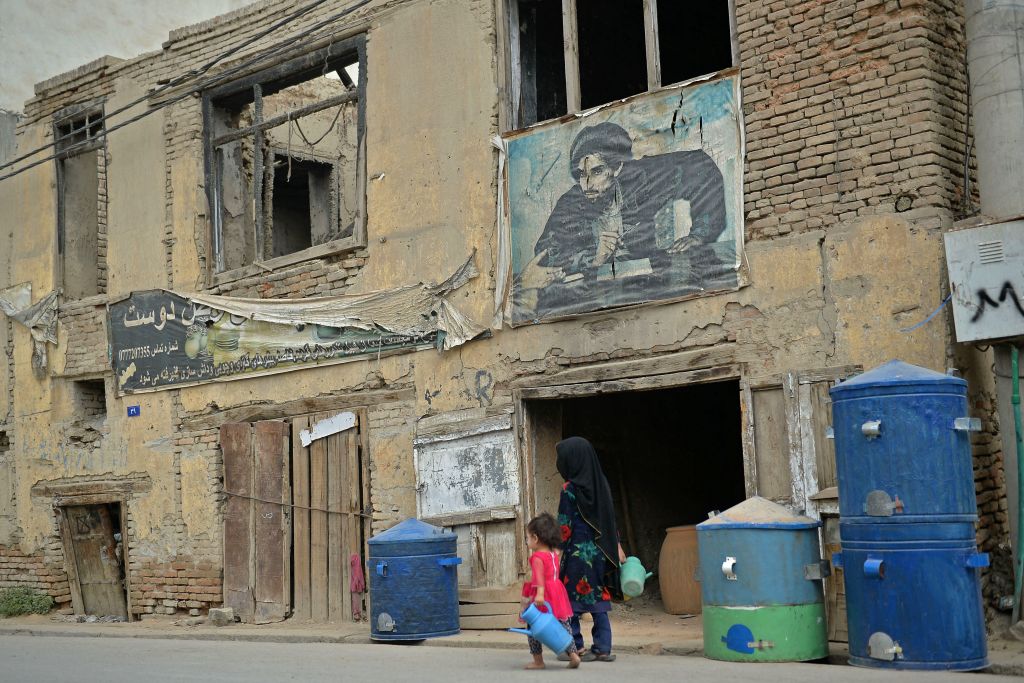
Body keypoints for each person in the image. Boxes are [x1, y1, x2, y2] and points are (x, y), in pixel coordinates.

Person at [514, 122, 730, 319]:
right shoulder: (571, 202)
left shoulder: (646, 177)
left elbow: (701, 167)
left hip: (654, 291)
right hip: (596, 303)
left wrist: (700, 234)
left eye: (597, 171)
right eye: (581, 174)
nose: (587, 184)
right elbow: (545, 253)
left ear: (617, 168)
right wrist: (593, 258)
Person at [556, 436, 627, 662]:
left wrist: (556, 550)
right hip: (600, 553)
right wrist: (616, 545)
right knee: (598, 601)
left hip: (576, 555)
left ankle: (576, 647)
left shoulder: (569, 489)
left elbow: (564, 526)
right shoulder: (601, 484)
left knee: (571, 601)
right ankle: (603, 648)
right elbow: (609, 519)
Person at [519, 513, 582, 670]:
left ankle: (538, 661)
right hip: (557, 592)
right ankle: (574, 655)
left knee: (533, 627)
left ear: (535, 538)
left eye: (527, 538)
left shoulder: (537, 557)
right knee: (563, 624)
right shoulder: (554, 553)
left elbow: (539, 578)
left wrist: (539, 594)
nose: (527, 541)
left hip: (544, 593)